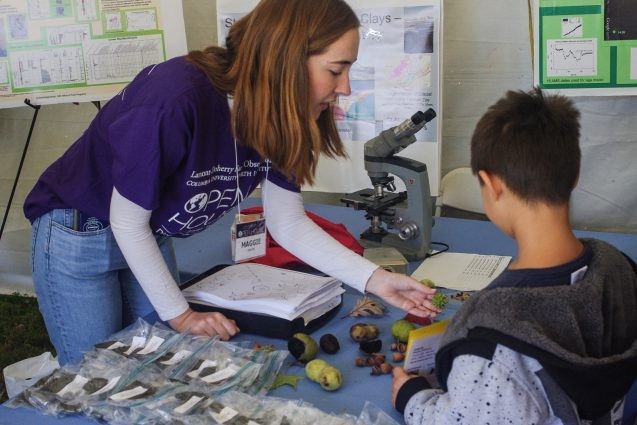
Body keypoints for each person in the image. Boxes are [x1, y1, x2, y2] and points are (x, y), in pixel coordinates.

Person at [23, 0, 440, 366]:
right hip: (81, 232)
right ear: (285, 59)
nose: (344, 88)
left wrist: (376, 279)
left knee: (157, 360)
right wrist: (182, 314)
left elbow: (287, 224)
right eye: (336, 69)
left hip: (147, 233)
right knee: (94, 373)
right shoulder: (174, 98)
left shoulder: (283, 116)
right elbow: (126, 220)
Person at [391, 87, 637, 425]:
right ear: (575, 177)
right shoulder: (618, 267)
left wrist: (412, 398)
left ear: (491, 186)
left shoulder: (493, 344)